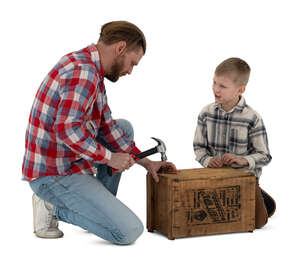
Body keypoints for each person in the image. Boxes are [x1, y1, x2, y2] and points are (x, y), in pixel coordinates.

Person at [22, 21, 177, 244]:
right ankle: (52, 206)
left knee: (123, 128)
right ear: (120, 48)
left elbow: (108, 127)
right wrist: (110, 158)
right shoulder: (84, 72)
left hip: (70, 162)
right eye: (132, 63)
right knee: (128, 231)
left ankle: (95, 210)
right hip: (54, 174)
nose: (130, 71)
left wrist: (146, 162)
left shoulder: (91, 67)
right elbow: (67, 130)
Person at [193, 57, 275, 228]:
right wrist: (208, 160)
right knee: (202, 216)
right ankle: (255, 197)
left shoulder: (252, 118)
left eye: (222, 86)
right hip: (214, 179)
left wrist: (243, 160)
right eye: (214, 82)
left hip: (242, 180)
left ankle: (258, 194)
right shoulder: (206, 113)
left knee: (257, 223)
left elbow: (265, 156)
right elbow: (199, 148)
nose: (216, 89)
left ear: (241, 89)